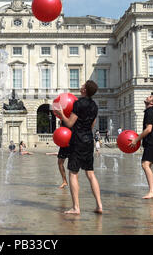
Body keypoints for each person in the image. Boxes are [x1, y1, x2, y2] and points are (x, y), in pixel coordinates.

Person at [54, 80, 103, 215]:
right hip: (89, 141)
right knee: (91, 174)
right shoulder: (94, 106)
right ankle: (99, 205)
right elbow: (92, 125)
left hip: (78, 141)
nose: (81, 86)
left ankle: (76, 207)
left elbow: (69, 123)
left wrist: (61, 114)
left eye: (83, 85)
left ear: (84, 90)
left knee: (73, 173)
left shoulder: (78, 103)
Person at [129, 94, 153, 199]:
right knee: (148, 166)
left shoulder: (149, 112)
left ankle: (152, 191)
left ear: (152, 103)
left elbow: (148, 129)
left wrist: (136, 140)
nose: (147, 97)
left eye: (149, 97)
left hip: (152, 142)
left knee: (145, 165)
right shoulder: (150, 112)